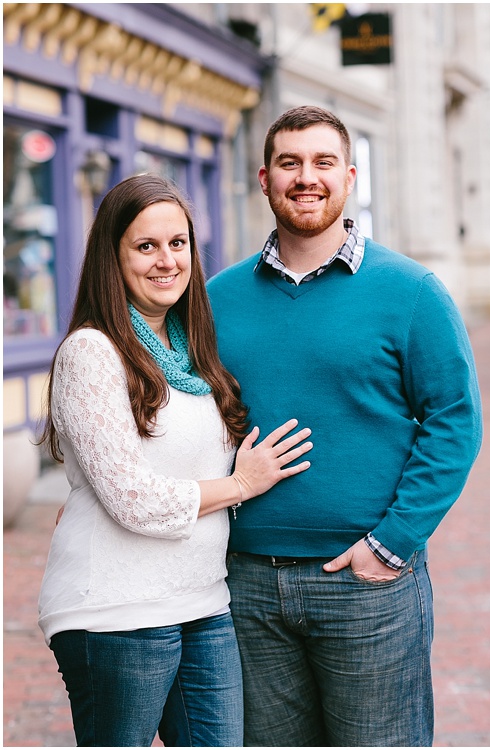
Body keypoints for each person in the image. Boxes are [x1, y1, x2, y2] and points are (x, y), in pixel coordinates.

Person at [206, 105, 483, 747]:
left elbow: (454, 422)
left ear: (350, 176)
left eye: (323, 162)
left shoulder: (410, 291)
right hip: (245, 582)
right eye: (290, 163)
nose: (307, 177)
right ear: (264, 178)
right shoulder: (217, 298)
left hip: (366, 586)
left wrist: (391, 545)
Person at [37, 174, 313, 746]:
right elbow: (134, 499)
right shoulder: (92, 351)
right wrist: (240, 485)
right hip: (115, 609)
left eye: (178, 243)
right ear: (113, 259)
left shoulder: (193, 353)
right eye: (145, 246)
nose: (166, 261)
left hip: (203, 599)